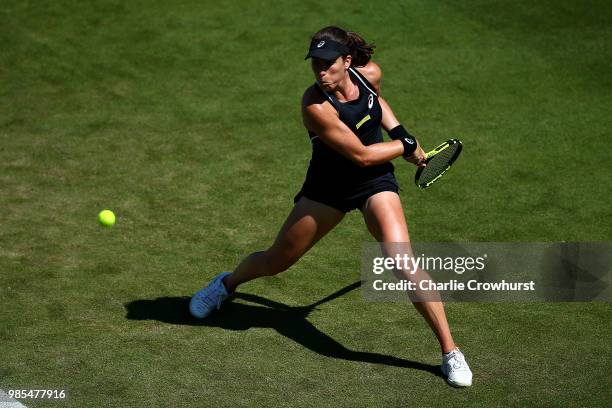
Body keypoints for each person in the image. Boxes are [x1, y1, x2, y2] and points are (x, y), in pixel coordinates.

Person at [190, 26, 472, 387]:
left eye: (327, 64)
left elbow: (377, 102)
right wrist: (406, 146)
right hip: (328, 189)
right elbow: (362, 155)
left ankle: (450, 351)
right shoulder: (315, 107)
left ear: (347, 61)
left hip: (375, 185)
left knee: (403, 262)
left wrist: (400, 131)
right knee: (278, 260)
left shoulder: (369, 75)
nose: (321, 73)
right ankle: (226, 285)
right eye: (315, 66)